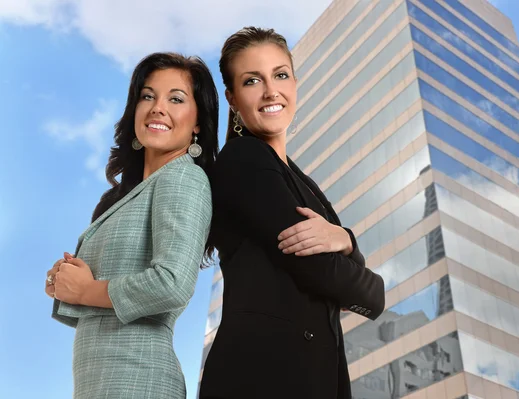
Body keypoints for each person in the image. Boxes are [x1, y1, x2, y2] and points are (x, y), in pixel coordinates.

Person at [199, 27, 385, 399]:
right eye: (253, 80)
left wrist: (345, 239)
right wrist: (373, 287)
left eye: (280, 75)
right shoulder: (244, 159)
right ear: (232, 99)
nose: (271, 91)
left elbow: (345, 275)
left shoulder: (306, 185)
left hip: (315, 377)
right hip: (261, 375)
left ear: (295, 83)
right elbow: (319, 269)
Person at [44, 52, 219, 398]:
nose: (157, 107)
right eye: (148, 96)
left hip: (139, 379)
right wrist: (64, 282)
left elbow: (172, 283)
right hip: (100, 381)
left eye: (176, 99)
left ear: (197, 122)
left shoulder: (184, 177)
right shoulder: (126, 196)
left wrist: (85, 290)